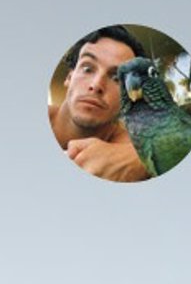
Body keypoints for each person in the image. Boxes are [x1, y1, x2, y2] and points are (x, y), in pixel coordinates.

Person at [49, 29, 151, 181]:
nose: (97, 85)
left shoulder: (129, 144)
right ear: (69, 77)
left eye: (117, 78)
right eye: (88, 69)